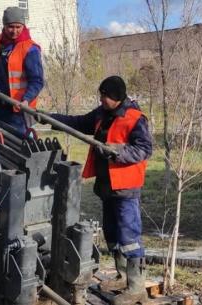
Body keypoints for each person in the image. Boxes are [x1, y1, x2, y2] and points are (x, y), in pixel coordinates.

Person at [43, 76, 152, 305]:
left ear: (117, 96)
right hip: (107, 186)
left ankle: (136, 287)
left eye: (105, 95)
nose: (101, 99)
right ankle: (123, 276)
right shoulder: (102, 114)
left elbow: (144, 149)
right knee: (112, 234)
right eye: (101, 95)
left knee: (129, 237)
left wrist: (117, 151)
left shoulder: (135, 119)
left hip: (125, 188)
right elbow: (79, 122)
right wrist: (51, 119)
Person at [0, 6, 43, 136]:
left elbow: (37, 81)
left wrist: (26, 100)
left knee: (14, 146)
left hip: (18, 109)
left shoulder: (30, 49)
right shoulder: (0, 42)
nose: (14, 31)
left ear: (24, 26)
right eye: (11, 27)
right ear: (4, 25)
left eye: (18, 27)